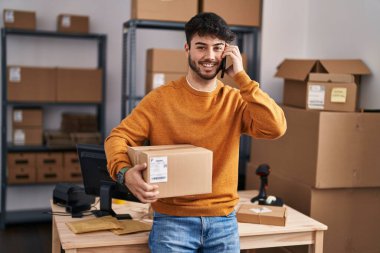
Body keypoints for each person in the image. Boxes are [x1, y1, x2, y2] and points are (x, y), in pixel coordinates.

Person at [105, 12, 286, 253]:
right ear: (187, 48)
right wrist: (124, 173)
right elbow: (118, 138)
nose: (209, 56)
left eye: (217, 48)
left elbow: (275, 128)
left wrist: (242, 78)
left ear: (227, 53)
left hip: (223, 221)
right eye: (201, 47)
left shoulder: (235, 100)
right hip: (172, 221)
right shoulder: (160, 99)